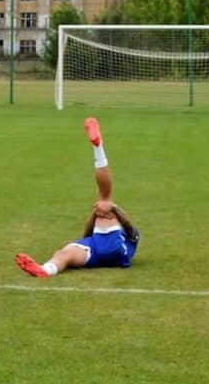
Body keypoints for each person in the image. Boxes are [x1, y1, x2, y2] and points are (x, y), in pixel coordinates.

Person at [14, 117, 140, 279]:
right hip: (97, 250)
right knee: (64, 254)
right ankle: (46, 269)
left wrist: (112, 208)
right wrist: (96, 212)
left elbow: (129, 226)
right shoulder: (107, 230)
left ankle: (98, 145)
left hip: (113, 249)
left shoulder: (130, 237)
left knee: (104, 198)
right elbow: (86, 236)